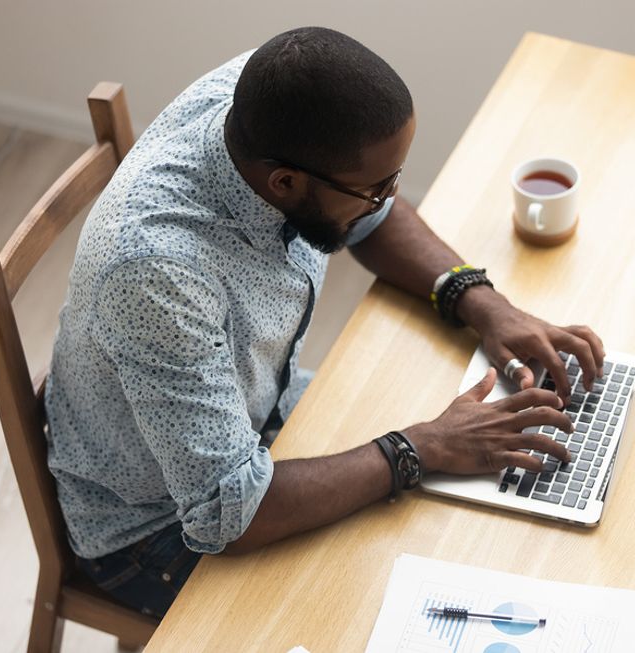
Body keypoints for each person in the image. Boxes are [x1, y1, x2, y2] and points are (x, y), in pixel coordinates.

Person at [44, 26, 605, 618]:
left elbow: (367, 218)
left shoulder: (272, 103)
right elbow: (224, 511)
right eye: (376, 187)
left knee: (480, 518)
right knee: (423, 585)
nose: (390, 197)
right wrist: (423, 447)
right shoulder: (157, 269)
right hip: (158, 531)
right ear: (284, 183)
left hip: (262, 419)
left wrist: (479, 300)